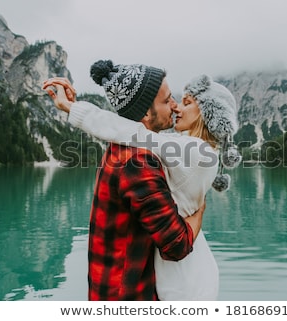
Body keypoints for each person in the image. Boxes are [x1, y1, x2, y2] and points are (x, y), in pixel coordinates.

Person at [43, 60, 242, 300]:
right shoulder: (138, 161)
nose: (175, 106)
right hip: (131, 292)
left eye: (183, 101)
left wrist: (73, 108)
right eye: (169, 99)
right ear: (147, 112)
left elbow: (130, 132)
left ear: (207, 114)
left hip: (172, 282)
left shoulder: (190, 152)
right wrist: (199, 214)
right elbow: (177, 245)